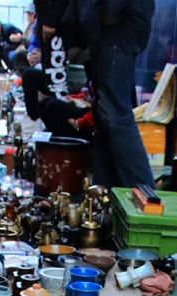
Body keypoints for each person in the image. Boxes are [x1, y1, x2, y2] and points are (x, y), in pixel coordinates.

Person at [68, 0, 153, 187]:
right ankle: (107, 196)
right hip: (113, 31)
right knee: (106, 115)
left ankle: (145, 197)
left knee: (114, 115)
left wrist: (103, 15)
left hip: (116, 32)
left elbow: (111, 13)